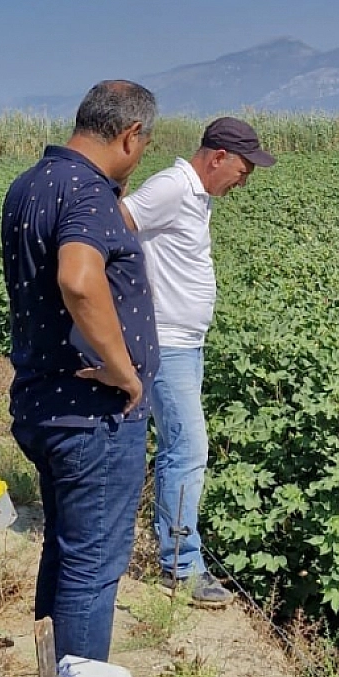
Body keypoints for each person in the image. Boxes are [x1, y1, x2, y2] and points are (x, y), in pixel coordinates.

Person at [0, 80, 159, 663]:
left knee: (66, 555)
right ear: (129, 134)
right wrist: (124, 372)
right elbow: (78, 278)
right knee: (93, 568)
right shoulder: (86, 191)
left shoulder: (31, 185)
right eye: (144, 145)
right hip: (91, 418)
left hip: (45, 404)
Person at [121, 116, 275, 606]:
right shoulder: (172, 186)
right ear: (218, 157)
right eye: (243, 171)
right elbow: (116, 224)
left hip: (186, 343)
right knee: (188, 448)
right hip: (165, 343)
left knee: (178, 446)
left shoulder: (197, 195)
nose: (244, 182)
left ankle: (172, 554)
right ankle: (181, 568)